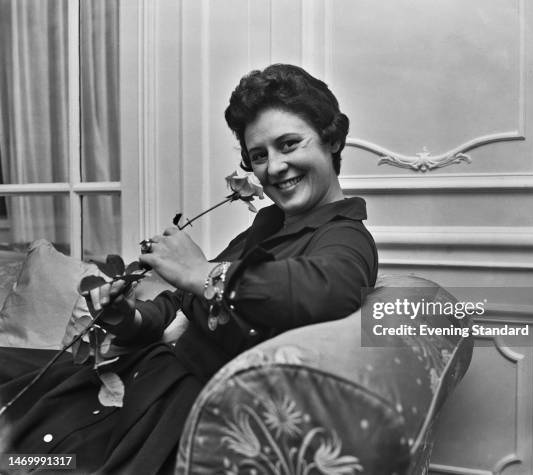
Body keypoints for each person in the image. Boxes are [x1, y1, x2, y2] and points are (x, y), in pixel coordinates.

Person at [0, 64, 378, 474]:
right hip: (136, 375)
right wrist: (126, 317)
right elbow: (180, 305)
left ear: (332, 138)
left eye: (289, 144)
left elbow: (327, 292)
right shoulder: (268, 224)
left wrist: (205, 273)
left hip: (163, 410)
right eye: (258, 155)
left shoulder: (344, 236)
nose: (273, 167)